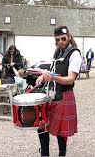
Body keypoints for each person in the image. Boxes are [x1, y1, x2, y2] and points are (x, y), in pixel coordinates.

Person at [35, 25, 82, 156]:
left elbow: (70, 79)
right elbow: (54, 71)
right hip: (51, 95)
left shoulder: (75, 54)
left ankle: (62, 154)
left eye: (63, 38)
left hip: (64, 95)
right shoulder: (57, 52)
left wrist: (53, 78)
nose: (60, 42)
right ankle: (44, 153)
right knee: (42, 124)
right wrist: (43, 76)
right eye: (58, 40)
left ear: (69, 37)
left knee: (61, 131)